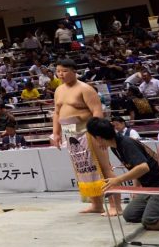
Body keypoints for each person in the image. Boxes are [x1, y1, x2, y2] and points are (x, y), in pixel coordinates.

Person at [51, 58, 119, 215]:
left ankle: (115, 206)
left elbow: (97, 112)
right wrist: (56, 133)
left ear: (74, 71)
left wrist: (98, 135)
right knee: (83, 169)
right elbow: (57, 112)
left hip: (88, 130)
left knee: (104, 167)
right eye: (58, 71)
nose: (61, 74)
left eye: (64, 71)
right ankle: (96, 205)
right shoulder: (58, 90)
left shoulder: (85, 89)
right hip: (70, 132)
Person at [88, 116, 159, 230]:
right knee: (130, 215)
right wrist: (136, 189)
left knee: (150, 221)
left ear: (98, 138)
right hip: (149, 188)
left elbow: (143, 167)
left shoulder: (126, 143)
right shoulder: (115, 146)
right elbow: (134, 167)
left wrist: (118, 180)